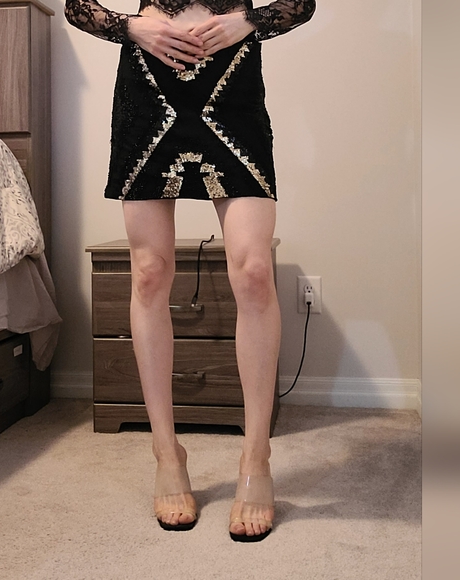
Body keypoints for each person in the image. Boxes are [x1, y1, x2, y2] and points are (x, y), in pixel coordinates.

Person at [65, 0, 316, 542]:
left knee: (254, 271)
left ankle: (256, 456)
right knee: (149, 272)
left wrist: (247, 21)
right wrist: (133, 28)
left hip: (232, 84)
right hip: (148, 87)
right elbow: (75, 6)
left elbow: (303, 3)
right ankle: (166, 451)